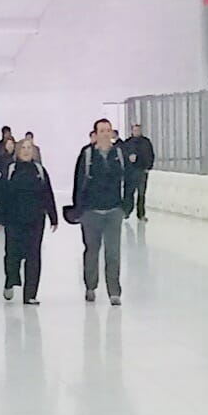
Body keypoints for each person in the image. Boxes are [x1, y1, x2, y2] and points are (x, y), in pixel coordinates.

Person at [72, 117, 128, 304]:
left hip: (113, 210)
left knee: (113, 252)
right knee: (92, 251)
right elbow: (78, 183)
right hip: (91, 212)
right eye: (101, 131)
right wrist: (79, 208)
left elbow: (128, 180)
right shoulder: (87, 155)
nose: (105, 134)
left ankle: (114, 291)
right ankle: (90, 286)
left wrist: (126, 206)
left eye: (108, 130)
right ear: (95, 134)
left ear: (112, 133)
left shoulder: (119, 154)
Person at [0, 135, 57, 303]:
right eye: (23, 148)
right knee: (12, 254)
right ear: (17, 151)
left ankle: (30, 294)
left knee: (33, 256)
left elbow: (47, 194)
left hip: (35, 220)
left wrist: (53, 217)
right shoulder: (11, 170)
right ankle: (10, 281)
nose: (26, 151)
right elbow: (2, 195)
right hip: (13, 219)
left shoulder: (40, 171)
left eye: (29, 148)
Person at [121, 120, 156, 220]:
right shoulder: (127, 143)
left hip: (141, 171)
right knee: (128, 193)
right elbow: (123, 155)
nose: (136, 132)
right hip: (130, 173)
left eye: (138, 130)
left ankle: (141, 214)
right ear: (132, 131)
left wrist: (148, 167)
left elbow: (150, 155)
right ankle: (126, 212)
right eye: (135, 130)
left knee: (141, 194)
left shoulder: (146, 142)